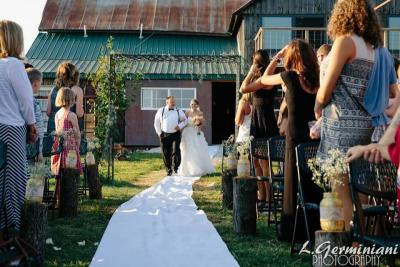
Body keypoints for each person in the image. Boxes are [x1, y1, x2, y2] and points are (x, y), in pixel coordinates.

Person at [242, 40, 322, 243]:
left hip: (294, 138)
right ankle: (314, 226)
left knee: (293, 183)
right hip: (314, 136)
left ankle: (292, 230)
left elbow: (266, 78)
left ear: (292, 58)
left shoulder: (289, 77)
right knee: (313, 182)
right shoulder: (317, 79)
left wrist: (277, 57)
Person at [314, 0, 384, 230]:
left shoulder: (345, 42)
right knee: (361, 187)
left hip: (341, 123)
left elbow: (326, 88)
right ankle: (358, 245)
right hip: (365, 124)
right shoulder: (372, 49)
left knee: (340, 187)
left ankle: (344, 242)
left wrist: (317, 105)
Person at [0, 20, 37, 240]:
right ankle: (10, 228)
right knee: (14, 179)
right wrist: (31, 125)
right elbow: (26, 101)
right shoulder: (14, 65)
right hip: (11, 129)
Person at [240, 49, 279, 207]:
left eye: (255, 63)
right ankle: (261, 196)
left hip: (266, 124)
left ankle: (270, 199)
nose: (253, 66)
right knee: (255, 161)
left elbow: (243, 88)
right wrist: (251, 73)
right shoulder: (258, 80)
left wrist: (250, 73)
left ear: (259, 64)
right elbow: (244, 89)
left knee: (264, 163)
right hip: (256, 123)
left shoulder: (266, 80)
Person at [51, 87, 82, 207]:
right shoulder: (71, 115)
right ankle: (70, 200)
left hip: (58, 147)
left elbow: (57, 131)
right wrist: (78, 146)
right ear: (70, 100)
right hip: (70, 149)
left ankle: (59, 200)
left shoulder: (57, 114)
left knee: (60, 175)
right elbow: (77, 133)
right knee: (71, 175)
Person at [178, 99, 215, 176]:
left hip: (196, 132)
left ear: (197, 105)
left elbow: (201, 124)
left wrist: (198, 127)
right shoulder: (187, 112)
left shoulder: (200, 113)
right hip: (187, 132)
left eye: (195, 104)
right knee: (187, 150)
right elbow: (184, 122)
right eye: (192, 104)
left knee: (197, 149)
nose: (193, 106)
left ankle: (198, 168)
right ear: (190, 105)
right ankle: (186, 169)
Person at [47, 62, 84, 134]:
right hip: (68, 130)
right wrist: (82, 109)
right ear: (75, 76)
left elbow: (48, 112)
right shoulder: (77, 90)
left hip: (52, 128)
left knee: (52, 145)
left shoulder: (53, 90)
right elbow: (79, 113)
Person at [154, 96, 187, 176]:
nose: (174, 103)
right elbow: (156, 123)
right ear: (167, 102)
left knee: (176, 151)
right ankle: (168, 169)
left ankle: (175, 167)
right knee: (166, 152)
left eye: (174, 102)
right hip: (164, 134)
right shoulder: (161, 111)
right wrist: (159, 133)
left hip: (175, 134)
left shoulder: (178, 110)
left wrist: (180, 126)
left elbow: (185, 120)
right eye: (172, 102)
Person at [27, 68, 45, 162]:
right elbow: (38, 129)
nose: (40, 86)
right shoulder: (33, 102)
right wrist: (40, 151)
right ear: (36, 83)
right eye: (41, 83)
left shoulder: (23, 99)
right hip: (33, 146)